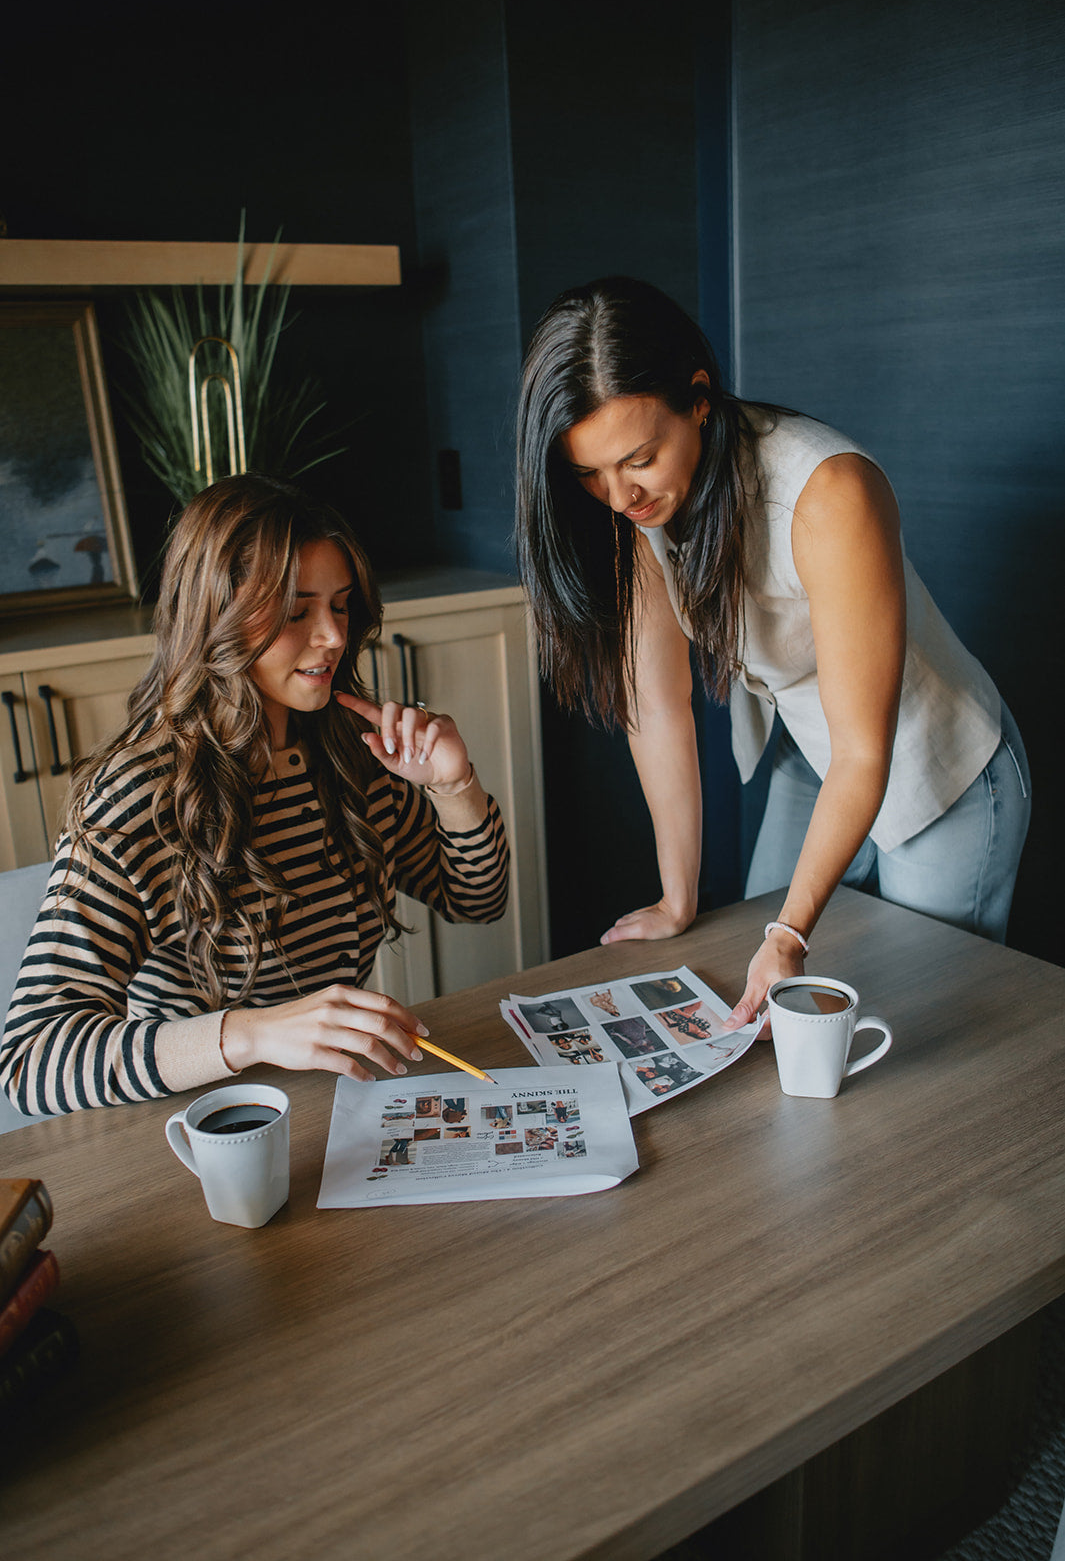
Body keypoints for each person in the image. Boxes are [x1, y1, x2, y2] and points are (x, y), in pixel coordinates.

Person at [516, 276, 1030, 1031]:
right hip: (809, 749)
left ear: (698, 398)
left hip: (938, 768)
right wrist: (677, 896)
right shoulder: (631, 509)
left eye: (639, 458)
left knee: (918, 1025)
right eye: (590, 473)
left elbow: (865, 750)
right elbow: (657, 706)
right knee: (755, 994)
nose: (620, 496)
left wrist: (790, 933)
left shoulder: (827, 492)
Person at [0, 475, 509, 1114]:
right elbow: (32, 1060)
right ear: (216, 617)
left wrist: (454, 788)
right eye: (296, 612)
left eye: (341, 606)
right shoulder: (138, 800)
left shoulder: (355, 752)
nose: (333, 636)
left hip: (333, 1099)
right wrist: (254, 1033)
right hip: (202, 1122)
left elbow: (477, 900)